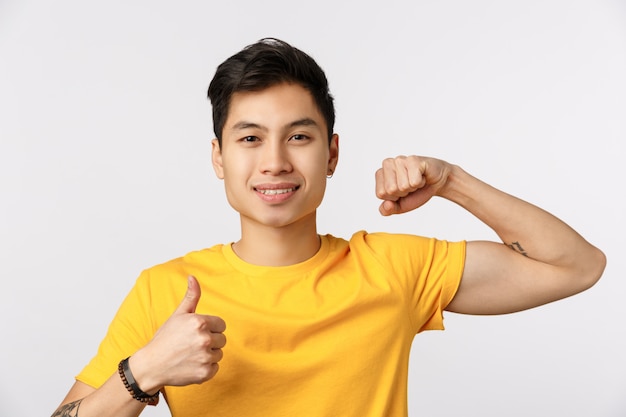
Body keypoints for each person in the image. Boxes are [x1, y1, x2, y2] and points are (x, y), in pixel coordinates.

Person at [52, 38, 606, 417]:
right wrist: (140, 374)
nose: (274, 161)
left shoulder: (394, 268)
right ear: (218, 157)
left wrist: (453, 182)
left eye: (298, 136)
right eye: (249, 139)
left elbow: (576, 266)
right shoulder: (167, 291)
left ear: (332, 153)